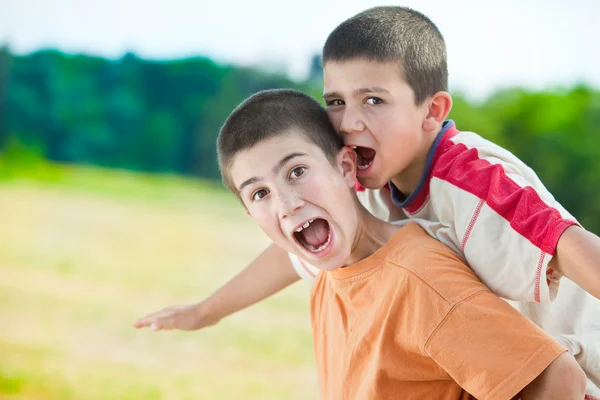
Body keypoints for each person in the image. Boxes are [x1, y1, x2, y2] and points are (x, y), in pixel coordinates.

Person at [135, 6, 600, 397]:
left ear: (433, 111)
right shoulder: (369, 189)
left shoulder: (473, 180)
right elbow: (289, 255)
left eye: (373, 100)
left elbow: (570, 244)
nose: (350, 121)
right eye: (335, 101)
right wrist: (205, 311)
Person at [219, 88, 585, 399]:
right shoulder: (328, 277)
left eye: (297, 172)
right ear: (251, 213)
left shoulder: (418, 280)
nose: (286, 205)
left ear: (346, 168)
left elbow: (557, 378)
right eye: (260, 193)